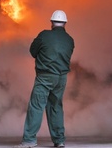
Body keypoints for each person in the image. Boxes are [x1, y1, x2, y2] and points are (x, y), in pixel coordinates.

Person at [14, 10, 75, 148]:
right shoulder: (70, 40)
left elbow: (33, 52)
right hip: (61, 79)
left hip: (45, 77)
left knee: (36, 106)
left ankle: (29, 140)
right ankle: (59, 141)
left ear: (52, 22)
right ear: (65, 23)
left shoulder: (44, 35)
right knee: (56, 107)